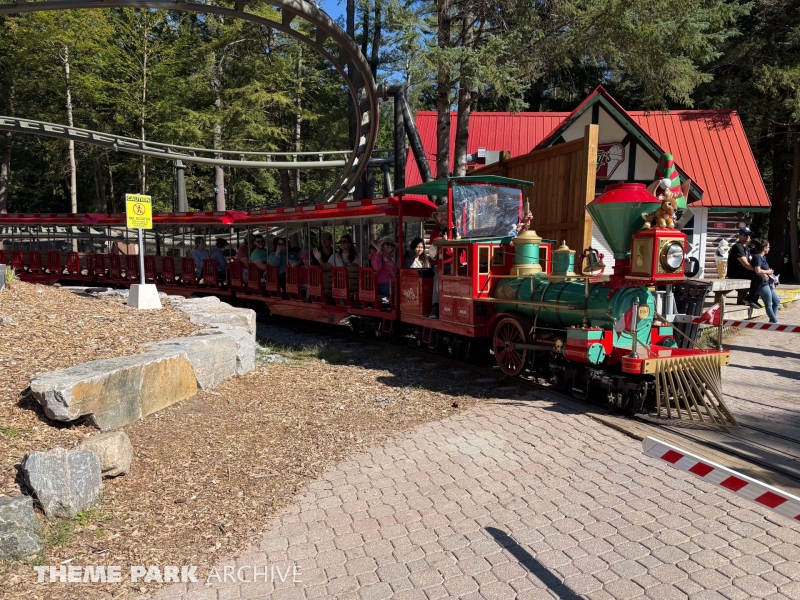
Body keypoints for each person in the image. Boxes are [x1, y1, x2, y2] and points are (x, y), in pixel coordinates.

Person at [727, 227, 762, 308]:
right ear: (739, 235)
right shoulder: (738, 246)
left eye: (749, 234)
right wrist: (758, 271)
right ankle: (750, 299)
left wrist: (762, 270)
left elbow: (750, 260)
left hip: (742, 272)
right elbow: (745, 264)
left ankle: (754, 300)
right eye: (746, 234)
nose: (748, 236)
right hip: (735, 273)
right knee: (759, 277)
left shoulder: (746, 247)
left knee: (762, 277)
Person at [751, 238, 781, 323]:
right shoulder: (757, 257)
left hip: (767, 283)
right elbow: (757, 270)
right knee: (768, 304)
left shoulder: (763, 257)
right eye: (768, 247)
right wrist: (768, 271)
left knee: (777, 301)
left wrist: (769, 272)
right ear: (764, 248)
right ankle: (774, 321)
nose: (769, 249)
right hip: (762, 285)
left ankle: (772, 320)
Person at [370, 235, 397, 303]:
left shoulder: (390, 258)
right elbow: (376, 268)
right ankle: (383, 302)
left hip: (392, 283)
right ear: (382, 245)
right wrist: (379, 251)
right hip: (383, 284)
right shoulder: (377, 255)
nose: (390, 246)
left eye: (392, 245)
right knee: (388, 300)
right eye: (387, 244)